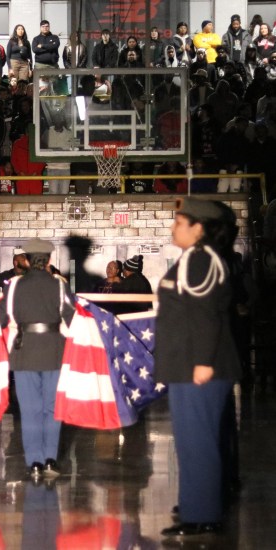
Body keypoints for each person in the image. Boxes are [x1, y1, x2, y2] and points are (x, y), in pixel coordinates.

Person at [156, 197, 241, 539]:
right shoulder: (197, 258)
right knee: (195, 440)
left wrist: (203, 362)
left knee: (197, 441)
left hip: (198, 365)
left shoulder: (200, 259)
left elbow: (205, 313)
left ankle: (201, 514)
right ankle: (198, 505)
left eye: (179, 222)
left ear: (198, 228)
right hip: (191, 362)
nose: (173, 227)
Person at [0, 238, 74, 480]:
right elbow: (72, 320)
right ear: (49, 260)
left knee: (30, 411)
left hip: (25, 353)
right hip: (53, 352)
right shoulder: (60, 286)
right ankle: (51, 459)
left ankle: (35, 463)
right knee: (52, 409)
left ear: (28, 260)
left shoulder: (14, 287)